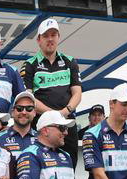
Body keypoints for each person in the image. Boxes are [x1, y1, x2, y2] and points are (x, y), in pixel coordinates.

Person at [19, 19, 82, 164]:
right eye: (46, 36)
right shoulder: (29, 64)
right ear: (39, 40)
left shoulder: (70, 61)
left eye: (53, 35)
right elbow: (28, 98)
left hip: (67, 123)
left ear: (58, 37)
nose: (50, 39)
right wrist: (52, 115)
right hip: (41, 124)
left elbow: (77, 93)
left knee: (69, 165)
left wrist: (64, 113)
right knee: (41, 165)